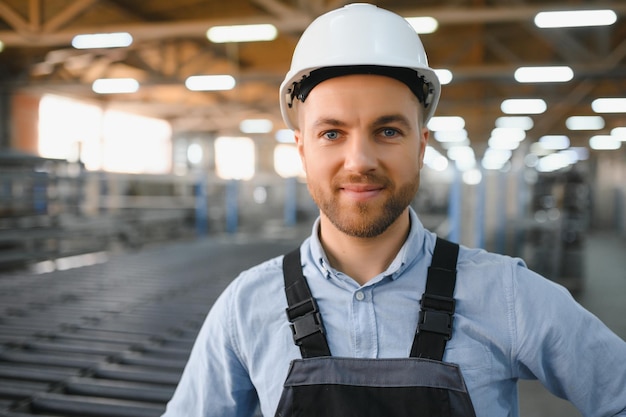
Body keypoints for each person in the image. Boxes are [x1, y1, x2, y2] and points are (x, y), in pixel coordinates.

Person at [162, 3, 626, 416]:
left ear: (421, 146)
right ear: (301, 150)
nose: (360, 161)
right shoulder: (245, 308)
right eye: (332, 133)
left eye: (387, 131)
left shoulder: (506, 295)